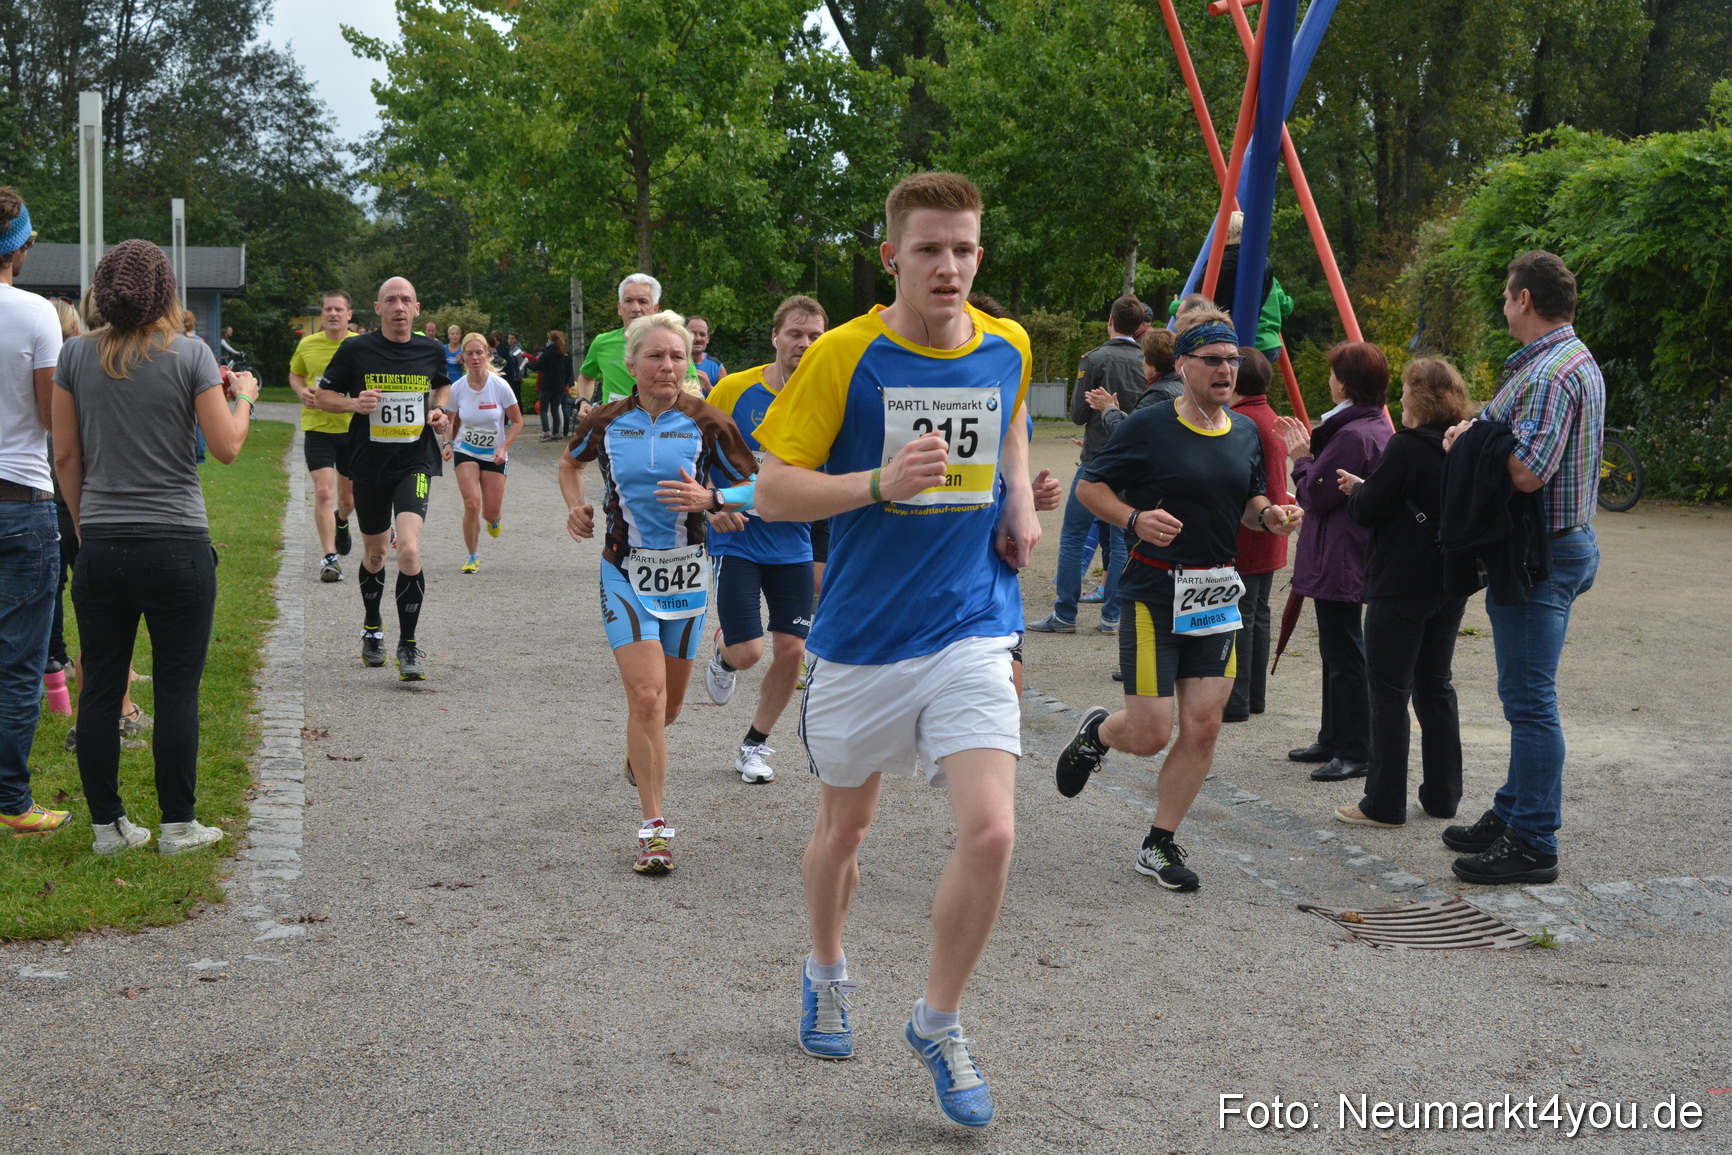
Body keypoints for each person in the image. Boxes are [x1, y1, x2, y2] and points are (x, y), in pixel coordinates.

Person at [753, 172, 1040, 1130]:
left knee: (992, 830)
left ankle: (938, 1020)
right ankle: (826, 967)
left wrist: (1021, 501)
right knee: (846, 832)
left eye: (963, 249)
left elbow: (1012, 423)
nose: (949, 266)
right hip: (863, 641)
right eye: (929, 249)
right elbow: (774, 491)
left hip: (970, 623)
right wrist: (876, 482)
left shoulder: (1010, 345)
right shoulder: (844, 356)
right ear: (892, 257)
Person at [1052, 308, 1303, 893]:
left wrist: (1270, 514)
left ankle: (1158, 843)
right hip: (1153, 590)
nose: (1225, 370)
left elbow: (1249, 502)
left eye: (1232, 360)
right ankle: (1096, 734)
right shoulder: (1149, 424)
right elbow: (1090, 486)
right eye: (1212, 360)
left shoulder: (1244, 431)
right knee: (1148, 734)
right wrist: (1134, 517)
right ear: (1184, 364)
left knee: (1204, 726)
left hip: (1215, 589)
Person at [52, 238, 262, 855]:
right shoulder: (191, 354)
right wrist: (243, 394)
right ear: (165, 291)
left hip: (103, 543)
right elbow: (226, 447)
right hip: (176, 544)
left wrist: (86, 523)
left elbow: (66, 455)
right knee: (175, 689)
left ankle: (107, 827)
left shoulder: (74, 357)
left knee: (100, 688)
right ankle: (178, 825)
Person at [559, 311, 756, 873]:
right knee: (645, 699)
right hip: (623, 570)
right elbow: (568, 465)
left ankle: (637, 755)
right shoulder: (604, 421)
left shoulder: (708, 422)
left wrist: (715, 502)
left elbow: (760, 485)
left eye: (678, 356)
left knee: (664, 710)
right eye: (656, 356)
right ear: (632, 364)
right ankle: (654, 828)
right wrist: (574, 505)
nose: (668, 366)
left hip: (687, 576)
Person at [1438, 250, 1603, 884]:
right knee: (1526, 697)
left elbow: (1528, 472)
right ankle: (1513, 810)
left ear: (1525, 299)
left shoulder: (1549, 374)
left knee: (1530, 702)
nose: (1504, 308)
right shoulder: (1572, 359)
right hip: (1564, 543)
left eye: (1508, 297)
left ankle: (1534, 841)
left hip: (1541, 557)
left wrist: (1467, 441)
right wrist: (1483, 433)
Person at [1334, 357, 1475, 828]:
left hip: (1401, 583)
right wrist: (1370, 489)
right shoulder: (1463, 443)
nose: (1399, 400)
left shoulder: (1406, 445)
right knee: (1436, 685)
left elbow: (1368, 510)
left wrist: (1358, 492)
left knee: (1389, 690)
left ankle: (1384, 801)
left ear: (1419, 399)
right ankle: (1442, 795)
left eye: (1406, 393)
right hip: (1450, 580)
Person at [696, 295, 828, 784]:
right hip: (738, 537)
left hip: (793, 540)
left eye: (815, 336)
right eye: (796, 333)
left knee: (793, 649)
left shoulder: (825, 397)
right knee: (749, 652)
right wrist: (708, 508)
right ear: (776, 336)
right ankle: (724, 652)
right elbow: (693, 448)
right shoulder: (734, 388)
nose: (805, 344)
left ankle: (754, 745)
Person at [313, 277, 453, 680]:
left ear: (417, 308)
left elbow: (441, 385)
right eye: (390, 300)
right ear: (377, 309)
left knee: (408, 549)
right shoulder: (356, 349)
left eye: (405, 300)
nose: (398, 307)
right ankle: (372, 627)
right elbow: (323, 396)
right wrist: (355, 403)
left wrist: (439, 411)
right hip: (369, 465)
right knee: (376, 555)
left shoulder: (431, 349)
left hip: (415, 463)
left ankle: (408, 647)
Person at [1276, 341, 1392, 782]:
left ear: (1343, 383)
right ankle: (1333, 735)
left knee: (1345, 652)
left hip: (1340, 553)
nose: (1328, 380)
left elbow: (1318, 496)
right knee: (1337, 649)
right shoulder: (1374, 425)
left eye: (1332, 374)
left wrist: (1300, 458)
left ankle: (1354, 747)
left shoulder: (1351, 434)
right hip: (1348, 549)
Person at [45, 296, 147, 756]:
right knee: (107, 621)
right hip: (89, 505)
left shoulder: (71, 363)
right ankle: (116, 713)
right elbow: (69, 453)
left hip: (51, 497)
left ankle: (92, 711)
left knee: (91, 615)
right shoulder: (92, 364)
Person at [0, 187, 72, 837]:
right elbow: (51, 418)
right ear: (22, 246)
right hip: (21, 501)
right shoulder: (35, 314)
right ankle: (13, 803)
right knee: (20, 660)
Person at [1028, 294, 1147, 636]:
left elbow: (1078, 414)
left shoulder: (1094, 358)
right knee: (1121, 539)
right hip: (1133, 463)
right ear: (1140, 326)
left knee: (1074, 535)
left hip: (1096, 460)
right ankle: (1112, 616)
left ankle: (1065, 613)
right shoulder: (1146, 359)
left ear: (1110, 320)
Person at [1223, 347, 1288, 721]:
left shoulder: (1240, 421)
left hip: (1249, 531)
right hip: (1272, 530)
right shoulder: (1271, 418)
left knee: (1241, 618)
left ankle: (1236, 702)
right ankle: (1254, 697)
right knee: (1258, 615)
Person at [289, 289, 358, 582]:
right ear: (322, 314)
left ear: (348, 315)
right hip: (318, 428)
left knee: (349, 500)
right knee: (323, 491)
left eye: (338, 310)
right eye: (328, 309)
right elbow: (296, 374)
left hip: (353, 429)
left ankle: (341, 521)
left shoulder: (361, 345)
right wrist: (301, 390)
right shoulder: (307, 345)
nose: (332, 314)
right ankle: (330, 558)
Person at [443, 332, 523, 573]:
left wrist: (503, 447)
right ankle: (472, 556)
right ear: (462, 358)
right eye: (470, 353)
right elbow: (450, 421)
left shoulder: (500, 386)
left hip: (494, 455)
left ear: (487, 355)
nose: (475, 357)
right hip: (465, 450)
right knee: (471, 504)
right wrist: (448, 443)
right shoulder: (457, 388)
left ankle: (494, 519)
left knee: (490, 512)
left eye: (479, 353)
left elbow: (517, 422)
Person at [577, 275, 660, 408]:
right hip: (612, 424)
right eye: (629, 301)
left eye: (643, 301)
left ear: (655, 309)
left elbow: (691, 388)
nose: (635, 309)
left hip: (656, 424)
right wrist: (583, 402)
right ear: (620, 308)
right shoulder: (602, 343)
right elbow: (586, 376)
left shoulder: (672, 344)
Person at [535, 330, 573, 442]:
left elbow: (539, 365)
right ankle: (556, 433)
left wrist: (528, 364)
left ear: (550, 340)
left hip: (547, 384)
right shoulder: (566, 353)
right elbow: (569, 371)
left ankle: (546, 432)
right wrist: (565, 382)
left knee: (543, 409)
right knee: (555, 409)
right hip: (560, 385)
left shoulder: (548, 352)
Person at [688, 315, 727, 392]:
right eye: (692, 334)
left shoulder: (717, 367)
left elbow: (726, 401)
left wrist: (708, 386)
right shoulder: (673, 363)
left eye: (702, 334)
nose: (698, 338)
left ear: (708, 338)